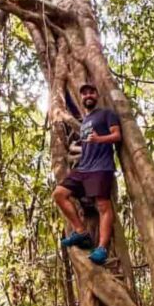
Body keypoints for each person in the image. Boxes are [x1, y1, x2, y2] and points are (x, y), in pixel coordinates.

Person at [52, 82, 121, 265]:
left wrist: (99, 139)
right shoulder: (84, 122)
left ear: (97, 96)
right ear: (81, 98)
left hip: (101, 167)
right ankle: (81, 232)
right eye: (84, 94)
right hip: (83, 168)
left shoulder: (107, 114)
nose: (88, 95)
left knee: (103, 206)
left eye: (91, 92)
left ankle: (102, 249)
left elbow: (117, 135)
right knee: (59, 194)